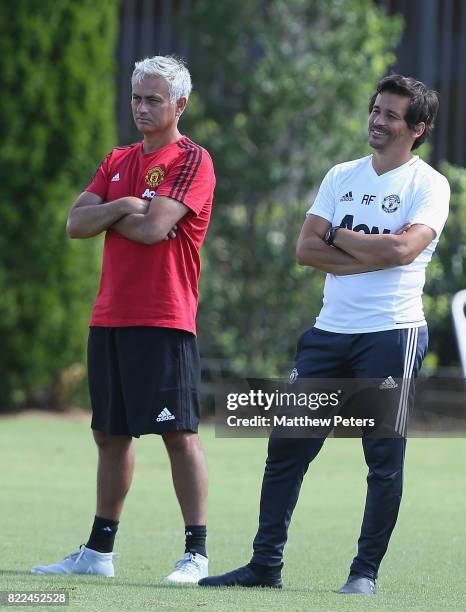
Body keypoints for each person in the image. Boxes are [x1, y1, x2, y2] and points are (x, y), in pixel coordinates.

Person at [199, 74, 449, 594]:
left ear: (417, 129)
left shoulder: (429, 185)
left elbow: (402, 253)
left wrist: (337, 237)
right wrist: (365, 251)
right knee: (286, 446)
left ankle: (363, 574)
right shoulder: (341, 175)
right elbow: (305, 251)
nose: (377, 121)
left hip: (391, 334)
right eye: (376, 110)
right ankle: (264, 567)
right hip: (329, 333)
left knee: (382, 456)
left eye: (392, 116)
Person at [31, 56, 215, 584]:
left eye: (153, 99)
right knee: (110, 436)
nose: (141, 107)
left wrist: (116, 211)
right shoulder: (117, 159)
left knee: (178, 433)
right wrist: (126, 203)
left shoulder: (192, 160)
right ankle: (98, 553)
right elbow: (74, 222)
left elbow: (156, 229)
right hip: (109, 316)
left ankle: (195, 555)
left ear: (180, 104)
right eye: (136, 97)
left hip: (164, 317)